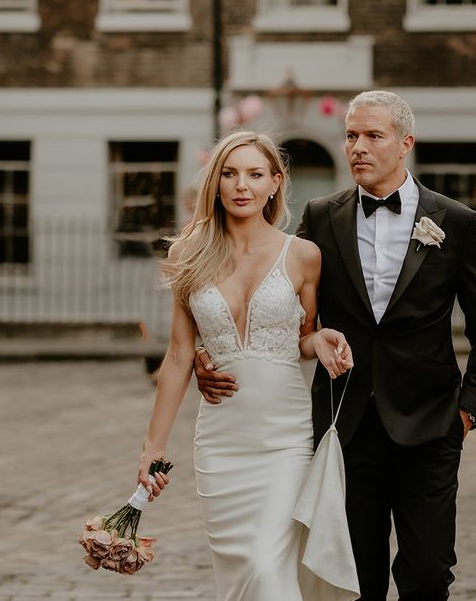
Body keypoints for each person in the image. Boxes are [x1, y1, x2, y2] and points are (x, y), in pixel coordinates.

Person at [196, 91, 476, 600]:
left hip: (431, 426)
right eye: (350, 136)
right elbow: (272, 304)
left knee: (428, 574)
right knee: (355, 580)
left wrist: (468, 410)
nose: (357, 147)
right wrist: (206, 350)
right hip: (345, 429)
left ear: (405, 142)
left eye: (372, 136)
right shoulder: (322, 218)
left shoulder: (456, 222)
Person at [138, 130, 357, 600]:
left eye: (256, 174)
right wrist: (150, 449)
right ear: (215, 184)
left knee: (267, 564)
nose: (243, 185)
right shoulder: (187, 254)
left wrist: (320, 339)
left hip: (285, 439)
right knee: (243, 578)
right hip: (221, 445)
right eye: (231, 174)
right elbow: (179, 354)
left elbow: (303, 337)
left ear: (275, 183)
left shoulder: (303, 255)